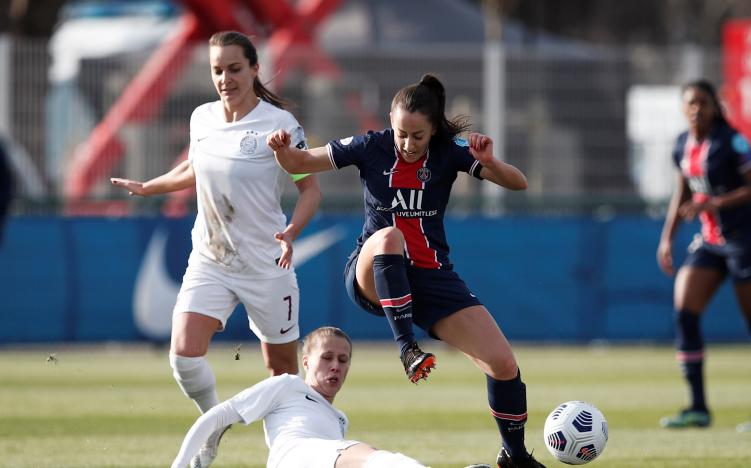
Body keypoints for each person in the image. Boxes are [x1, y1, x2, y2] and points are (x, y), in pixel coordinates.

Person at [268, 74, 545, 468]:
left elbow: (518, 183)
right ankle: (407, 349)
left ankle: (514, 456)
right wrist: (282, 151)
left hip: (432, 278)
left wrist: (488, 163)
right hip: (372, 271)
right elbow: (299, 161)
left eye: (418, 136)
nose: (408, 144)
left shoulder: (452, 152)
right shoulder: (370, 146)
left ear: (433, 130)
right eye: (401, 134)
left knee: (503, 365)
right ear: (390, 123)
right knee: (388, 237)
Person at [110, 31, 321, 466]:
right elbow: (194, 166)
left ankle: (289, 453)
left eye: (234, 68)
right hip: (210, 259)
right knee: (184, 356)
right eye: (217, 70)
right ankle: (213, 424)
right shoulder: (202, 117)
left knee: (281, 374)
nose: (225, 78)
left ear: (255, 69)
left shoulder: (279, 123)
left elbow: (310, 191)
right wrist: (149, 187)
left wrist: (292, 233)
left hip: (266, 263)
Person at [656, 79, 751, 432]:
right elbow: (680, 194)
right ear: (683, 109)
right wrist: (667, 238)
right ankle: (698, 408)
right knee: (684, 312)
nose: (696, 108)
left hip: (747, 239)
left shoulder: (732, 142)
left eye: (703, 102)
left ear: (715, 107)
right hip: (711, 241)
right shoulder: (682, 144)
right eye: (690, 103)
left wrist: (715, 203)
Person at [171, 326, 427, 468]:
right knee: (381, 460)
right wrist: (180, 465)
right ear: (306, 362)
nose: (335, 365)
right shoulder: (287, 385)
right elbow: (216, 416)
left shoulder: (340, 420)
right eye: (327, 358)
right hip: (297, 456)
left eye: (343, 359)